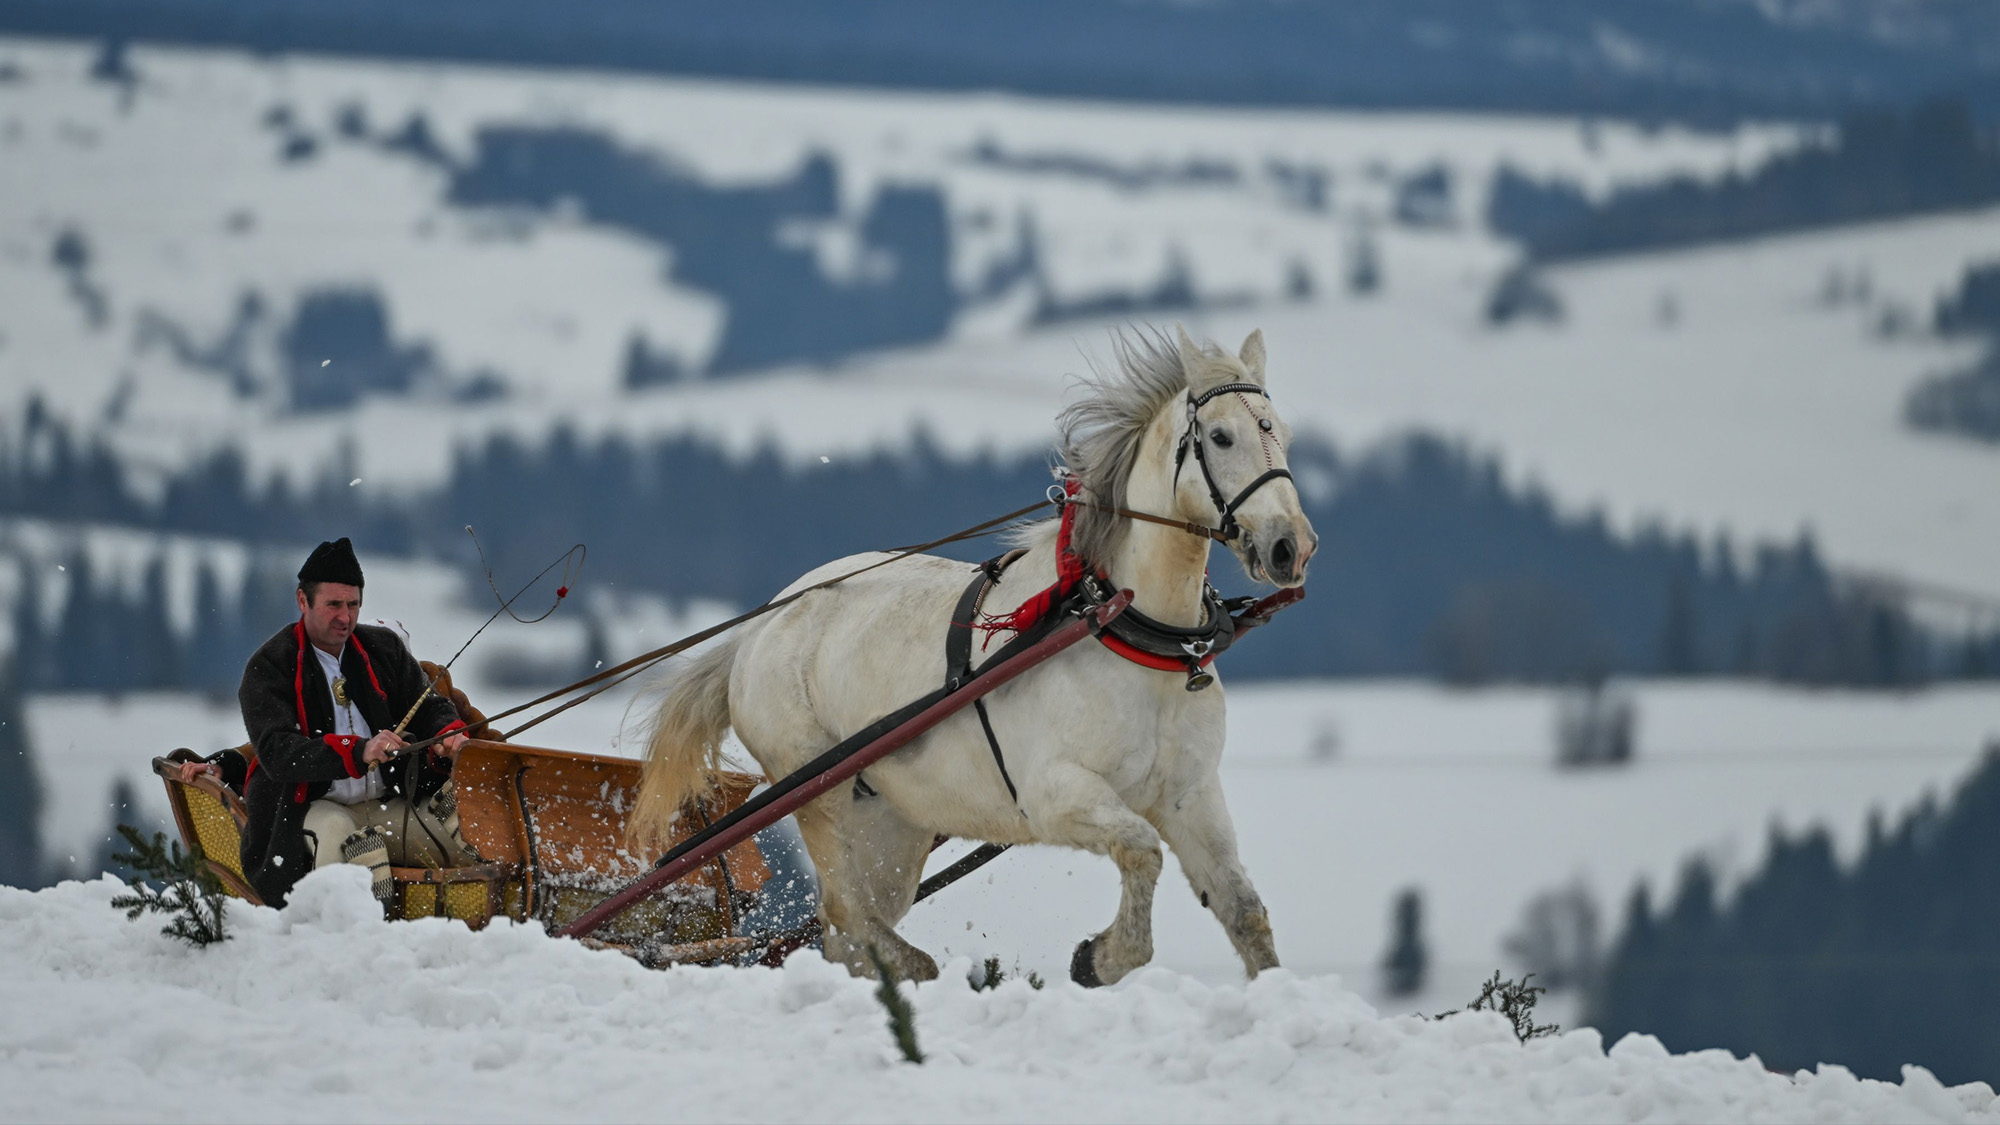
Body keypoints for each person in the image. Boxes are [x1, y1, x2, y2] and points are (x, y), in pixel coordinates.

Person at [226, 538, 474, 906]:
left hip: (385, 803)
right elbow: (279, 753)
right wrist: (358, 751)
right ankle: (342, 943)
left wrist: (448, 737)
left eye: (353, 604)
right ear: (302, 601)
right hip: (305, 809)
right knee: (344, 839)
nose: (345, 617)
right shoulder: (269, 667)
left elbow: (430, 707)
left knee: (469, 843)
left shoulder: (384, 649)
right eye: (333, 605)